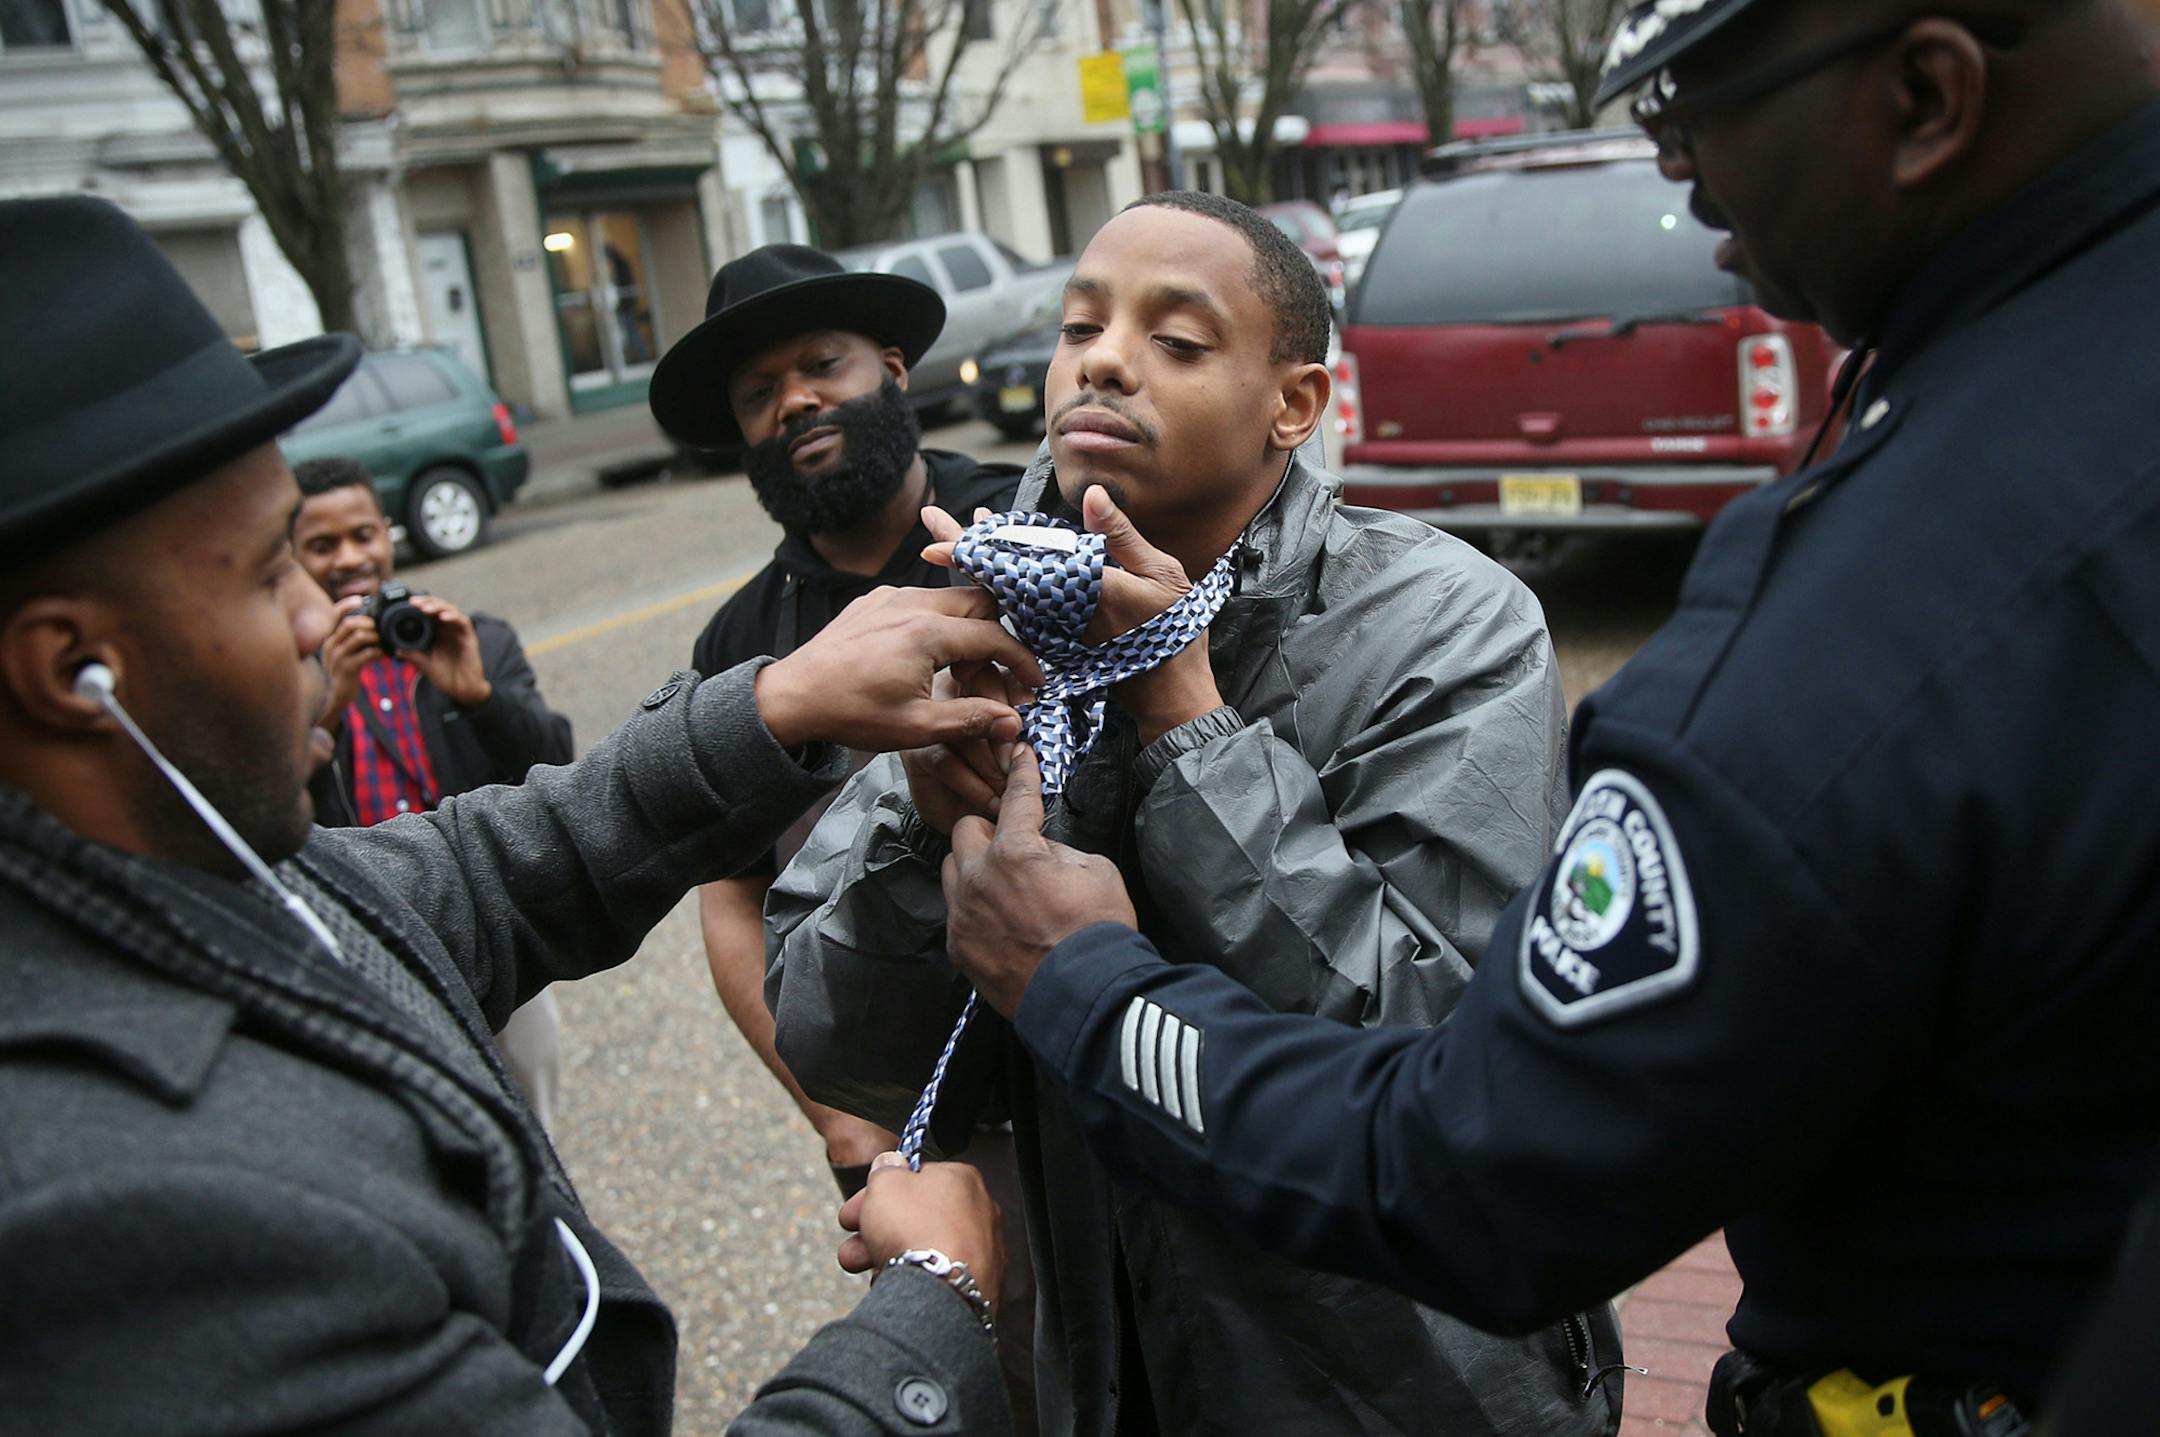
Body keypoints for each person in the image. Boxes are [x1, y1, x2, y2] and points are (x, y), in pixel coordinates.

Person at [932, 1, 2160, 1430]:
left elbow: (1482, 1166)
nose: (1677, 172)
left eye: (1695, 108)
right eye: (1082, 324)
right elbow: (853, 1013)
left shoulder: (1880, 602)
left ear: (1930, 98)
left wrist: (1085, 980)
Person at [0, 194, 1040, 1435]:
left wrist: (776, 710)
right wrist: (927, 1312)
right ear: (73, 671)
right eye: (270, 567)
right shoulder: (126, 1207)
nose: (316, 613)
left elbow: (500, 863)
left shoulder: (214, 866)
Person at [769, 192, 1619, 1435]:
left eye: (1176, 341)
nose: (1102, 359)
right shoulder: (990, 611)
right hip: (1114, 1369)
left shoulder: (1447, 624)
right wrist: (923, 829)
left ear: (1297, 404)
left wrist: (1189, 725)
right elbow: (841, 1044)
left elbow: (1442, 1050)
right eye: (1078, 328)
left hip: (1410, 1373)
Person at [651, 242, 1038, 1429]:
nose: (795, 402)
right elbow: (730, 898)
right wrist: (834, 1107)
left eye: (820, 364)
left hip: (1096, 1033)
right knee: (989, 1379)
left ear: (893, 364)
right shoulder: (740, 651)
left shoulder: (1037, 517)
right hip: (921, 1116)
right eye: (759, 394)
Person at [294, 454, 574, 1128]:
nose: (349, 558)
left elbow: (555, 763)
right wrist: (321, 710)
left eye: (363, 534)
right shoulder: (286, 672)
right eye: (322, 545)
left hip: (479, 920)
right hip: (356, 935)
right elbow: (261, 812)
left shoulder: (472, 638)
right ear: (291, 557)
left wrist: (477, 694)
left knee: (529, 1104)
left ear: (389, 533)